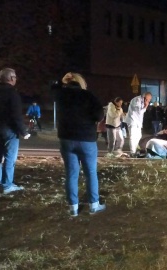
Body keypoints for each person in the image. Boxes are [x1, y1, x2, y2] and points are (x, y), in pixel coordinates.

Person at [52, 72, 106, 216]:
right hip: (86, 138)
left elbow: (53, 87)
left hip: (66, 138)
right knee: (91, 173)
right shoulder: (88, 95)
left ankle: (73, 208)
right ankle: (94, 205)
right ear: (81, 82)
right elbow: (99, 115)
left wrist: (61, 80)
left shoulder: (61, 95)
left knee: (71, 173)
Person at [0, 68, 31, 194]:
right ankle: (7, 185)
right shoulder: (12, 94)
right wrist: (24, 132)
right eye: (15, 77)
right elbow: (16, 115)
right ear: (11, 78)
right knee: (9, 157)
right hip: (9, 130)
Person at [125, 92, 152, 157]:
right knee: (133, 137)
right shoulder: (137, 100)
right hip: (133, 121)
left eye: (149, 100)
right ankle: (132, 152)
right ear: (145, 97)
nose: (148, 101)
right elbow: (139, 112)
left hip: (138, 122)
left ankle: (135, 150)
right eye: (148, 100)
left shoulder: (142, 101)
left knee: (139, 136)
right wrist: (145, 106)